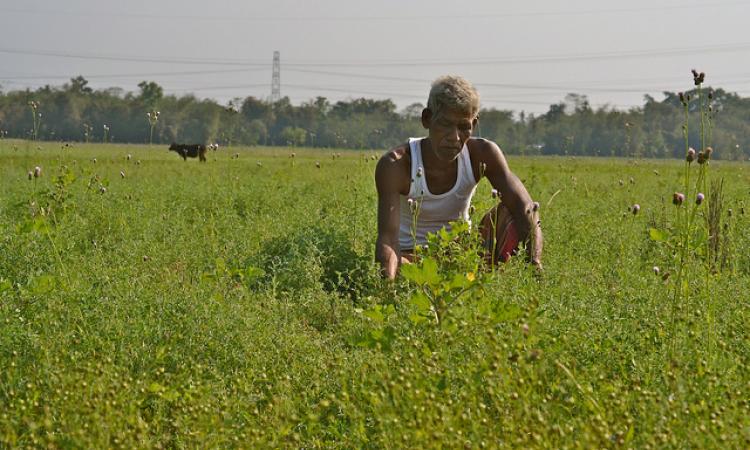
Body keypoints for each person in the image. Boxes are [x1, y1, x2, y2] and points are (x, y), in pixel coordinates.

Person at [375, 75, 543, 280]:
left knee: (518, 212)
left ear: (474, 123)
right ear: (427, 119)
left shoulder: (481, 154)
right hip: (414, 257)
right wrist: (387, 292)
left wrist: (535, 265)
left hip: (463, 254)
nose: (454, 138)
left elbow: (525, 207)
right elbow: (388, 240)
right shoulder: (398, 164)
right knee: (400, 265)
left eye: (464, 127)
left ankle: (498, 279)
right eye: (445, 124)